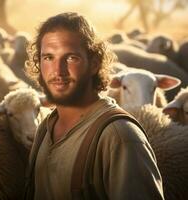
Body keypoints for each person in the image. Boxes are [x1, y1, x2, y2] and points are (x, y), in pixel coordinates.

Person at [24, 12, 164, 200]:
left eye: (71, 57)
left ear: (94, 64)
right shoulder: (47, 125)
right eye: (48, 57)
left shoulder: (120, 136)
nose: (58, 71)